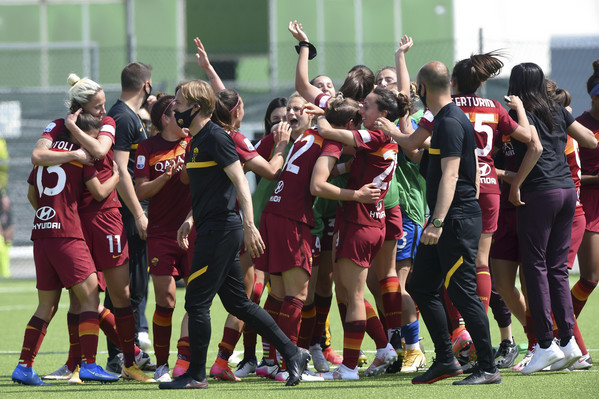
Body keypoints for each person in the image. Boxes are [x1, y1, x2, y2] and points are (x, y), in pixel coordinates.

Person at [158, 80, 309, 389]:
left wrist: (250, 225)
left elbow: (241, 182)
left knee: (197, 303)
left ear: (196, 108)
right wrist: (190, 219)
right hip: (212, 228)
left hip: (222, 232)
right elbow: (213, 188)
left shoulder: (216, 137)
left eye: (180, 103)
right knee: (239, 304)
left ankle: (196, 375)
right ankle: (293, 353)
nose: (175, 108)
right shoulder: (198, 139)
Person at [31, 73, 153, 383]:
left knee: (120, 294)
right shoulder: (58, 126)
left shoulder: (109, 122)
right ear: (81, 106)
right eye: (97, 106)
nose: (103, 111)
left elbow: (100, 152)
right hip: (76, 221)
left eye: (102, 106)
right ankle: (77, 364)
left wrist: (73, 131)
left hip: (107, 217)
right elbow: (37, 156)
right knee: (82, 297)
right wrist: (69, 134)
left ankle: (129, 359)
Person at [406, 61, 500, 385]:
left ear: (422, 89)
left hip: (452, 220)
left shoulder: (448, 121)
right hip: (453, 217)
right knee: (419, 285)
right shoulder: (446, 119)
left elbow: (451, 173)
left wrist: (437, 220)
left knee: (463, 295)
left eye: (416, 87)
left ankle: (488, 367)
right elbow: (464, 167)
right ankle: (447, 360)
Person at [13, 113, 120, 386]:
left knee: (45, 307)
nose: (93, 144)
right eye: (92, 137)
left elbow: (30, 195)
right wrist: (116, 177)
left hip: (42, 235)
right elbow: (97, 192)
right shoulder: (80, 155)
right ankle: (90, 365)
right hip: (67, 236)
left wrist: (49, 215)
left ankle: (24, 366)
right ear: (79, 135)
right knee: (90, 297)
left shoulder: (47, 155)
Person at [507, 63, 596, 374]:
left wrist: (515, 182)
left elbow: (533, 144)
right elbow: (590, 140)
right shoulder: (557, 109)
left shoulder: (522, 110)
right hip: (567, 193)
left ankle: (546, 345)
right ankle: (568, 342)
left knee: (534, 268)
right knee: (558, 270)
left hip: (539, 193)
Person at [134, 93, 194, 382]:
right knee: (166, 300)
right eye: (178, 111)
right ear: (165, 118)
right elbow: (140, 191)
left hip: (194, 231)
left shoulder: (194, 141)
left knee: (196, 300)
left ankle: (185, 360)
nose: (185, 116)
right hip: (160, 233)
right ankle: (161, 364)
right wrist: (164, 177)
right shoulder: (147, 147)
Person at [107, 62, 154, 367]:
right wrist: (138, 213)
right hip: (125, 214)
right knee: (128, 288)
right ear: (145, 85)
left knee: (131, 287)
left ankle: (126, 353)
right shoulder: (125, 117)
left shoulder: (127, 115)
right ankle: (121, 356)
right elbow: (119, 168)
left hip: (127, 212)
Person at [575, 60, 599, 369]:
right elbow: (575, 175)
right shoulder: (579, 126)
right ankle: (560, 326)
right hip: (589, 206)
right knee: (590, 278)